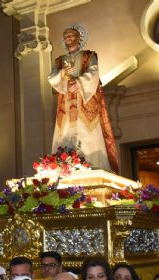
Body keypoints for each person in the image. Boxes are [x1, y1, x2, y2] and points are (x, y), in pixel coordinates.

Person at [47, 25, 119, 173]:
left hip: (85, 104)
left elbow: (93, 72)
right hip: (65, 107)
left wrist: (78, 83)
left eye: (71, 35)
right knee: (65, 135)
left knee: (89, 134)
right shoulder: (59, 61)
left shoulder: (89, 56)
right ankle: (63, 168)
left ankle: (92, 167)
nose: (68, 38)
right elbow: (51, 77)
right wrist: (62, 73)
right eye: (66, 36)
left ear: (79, 38)